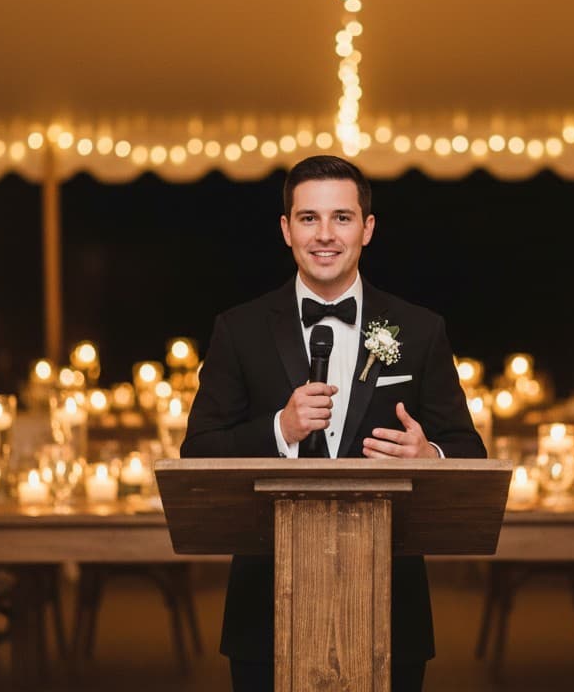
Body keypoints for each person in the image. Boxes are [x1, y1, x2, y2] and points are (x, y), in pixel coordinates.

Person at [181, 154, 487, 691]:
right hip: (264, 610)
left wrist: (429, 456)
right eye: (309, 218)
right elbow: (196, 453)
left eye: (342, 217)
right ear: (285, 229)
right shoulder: (239, 329)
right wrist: (280, 430)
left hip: (391, 608)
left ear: (367, 229)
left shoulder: (419, 330)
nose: (325, 234)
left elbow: (469, 451)